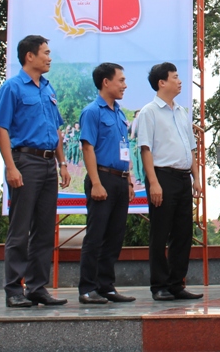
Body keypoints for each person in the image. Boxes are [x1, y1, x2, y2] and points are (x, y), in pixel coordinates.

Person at [0, 35, 72, 307]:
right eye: (45, 53)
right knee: (20, 228)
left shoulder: (47, 88)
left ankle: (37, 287)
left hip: (49, 163)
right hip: (25, 162)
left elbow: (57, 128)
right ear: (30, 56)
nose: (49, 58)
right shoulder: (12, 87)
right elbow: (1, 127)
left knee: (44, 228)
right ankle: (14, 290)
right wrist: (11, 167)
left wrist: (62, 163)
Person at [137, 62, 203, 301]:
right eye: (175, 77)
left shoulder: (181, 111)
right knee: (160, 232)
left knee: (183, 232)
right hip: (162, 176)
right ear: (161, 82)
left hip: (183, 177)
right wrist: (153, 183)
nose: (179, 81)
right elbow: (145, 149)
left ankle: (177, 283)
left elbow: (191, 147)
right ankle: (160, 285)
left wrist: (196, 178)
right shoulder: (149, 112)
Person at [77, 62, 137, 304]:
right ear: (106, 82)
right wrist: (95, 183)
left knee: (114, 235)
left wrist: (130, 181)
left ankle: (106, 286)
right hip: (101, 178)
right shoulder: (92, 111)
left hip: (121, 180)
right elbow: (87, 147)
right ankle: (87, 288)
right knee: (96, 236)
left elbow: (124, 149)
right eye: (120, 80)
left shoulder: (119, 113)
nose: (124, 85)